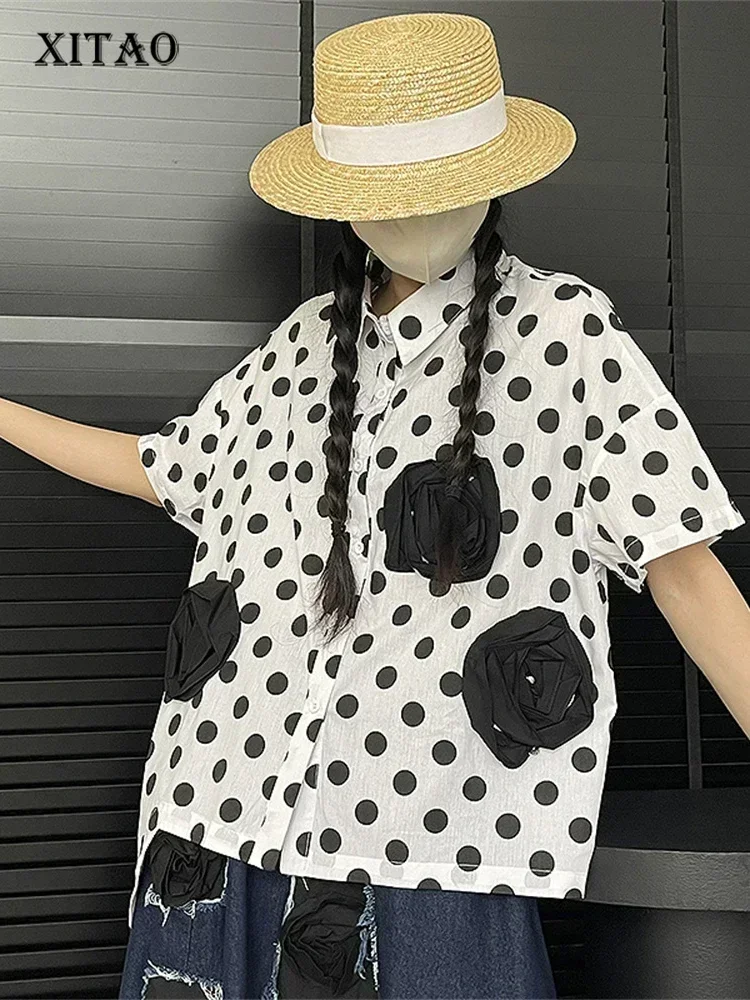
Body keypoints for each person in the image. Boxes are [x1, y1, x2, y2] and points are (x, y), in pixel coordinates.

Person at [2, 11, 747, 1000]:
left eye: (439, 185)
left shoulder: (562, 334)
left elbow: (683, 567)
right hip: (220, 814)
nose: (416, 213)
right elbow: (168, 466)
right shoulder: (305, 342)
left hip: (430, 841)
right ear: (341, 204)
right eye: (388, 192)